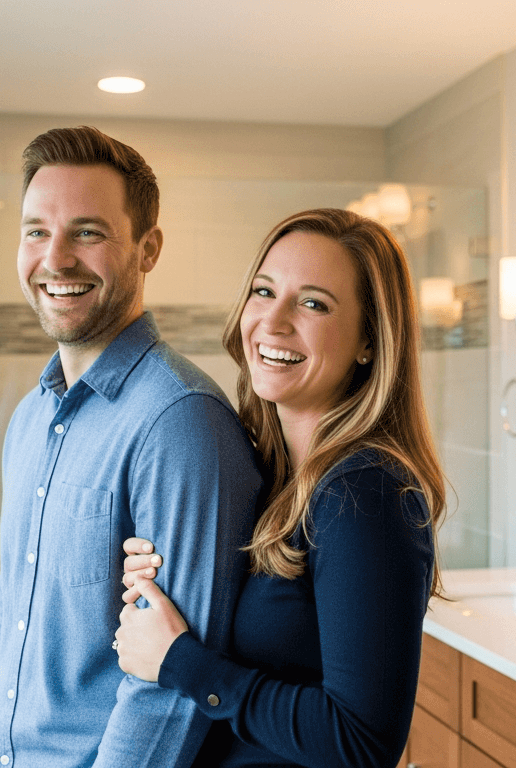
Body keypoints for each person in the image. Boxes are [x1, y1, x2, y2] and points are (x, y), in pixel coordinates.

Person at [0, 126, 261, 768]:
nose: (56, 258)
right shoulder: (30, 418)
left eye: (87, 232)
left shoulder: (181, 422)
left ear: (147, 249)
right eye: (37, 231)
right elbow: (8, 622)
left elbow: (171, 689)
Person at [114, 208, 447, 767]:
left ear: (370, 340)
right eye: (264, 292)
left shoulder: (363, 492)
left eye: (313, 303)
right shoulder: (268, 473)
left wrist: (180, 662)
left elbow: (362, 745)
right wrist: (161, 581)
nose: (273, 321)